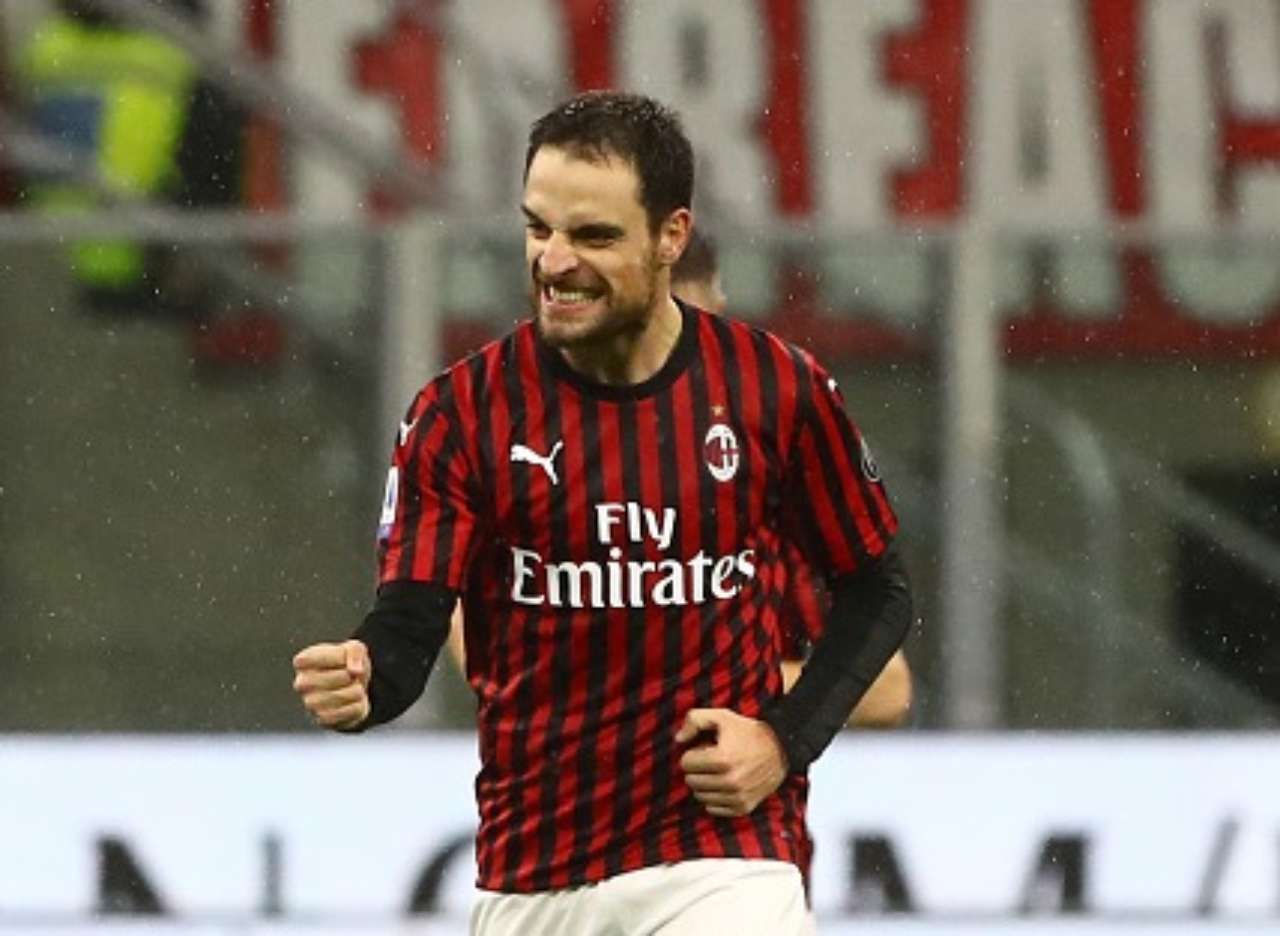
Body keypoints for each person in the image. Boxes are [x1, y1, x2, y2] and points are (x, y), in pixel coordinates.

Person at [293, 91, 913, 935]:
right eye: (537, 228)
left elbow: (878, 591)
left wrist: (781, 739)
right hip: (534, 877)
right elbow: (409, 630)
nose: (554, 261)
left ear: (671, 236)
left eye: (592, 236)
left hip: (720, 862)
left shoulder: (775, 390)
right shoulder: (459, 415)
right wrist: (366, 677)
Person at [442, 227, 914, 730]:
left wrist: (693, 686)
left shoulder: (764, 487)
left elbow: (888, 690)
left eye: (682, 340)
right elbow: (480, 647)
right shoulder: (522, 461)